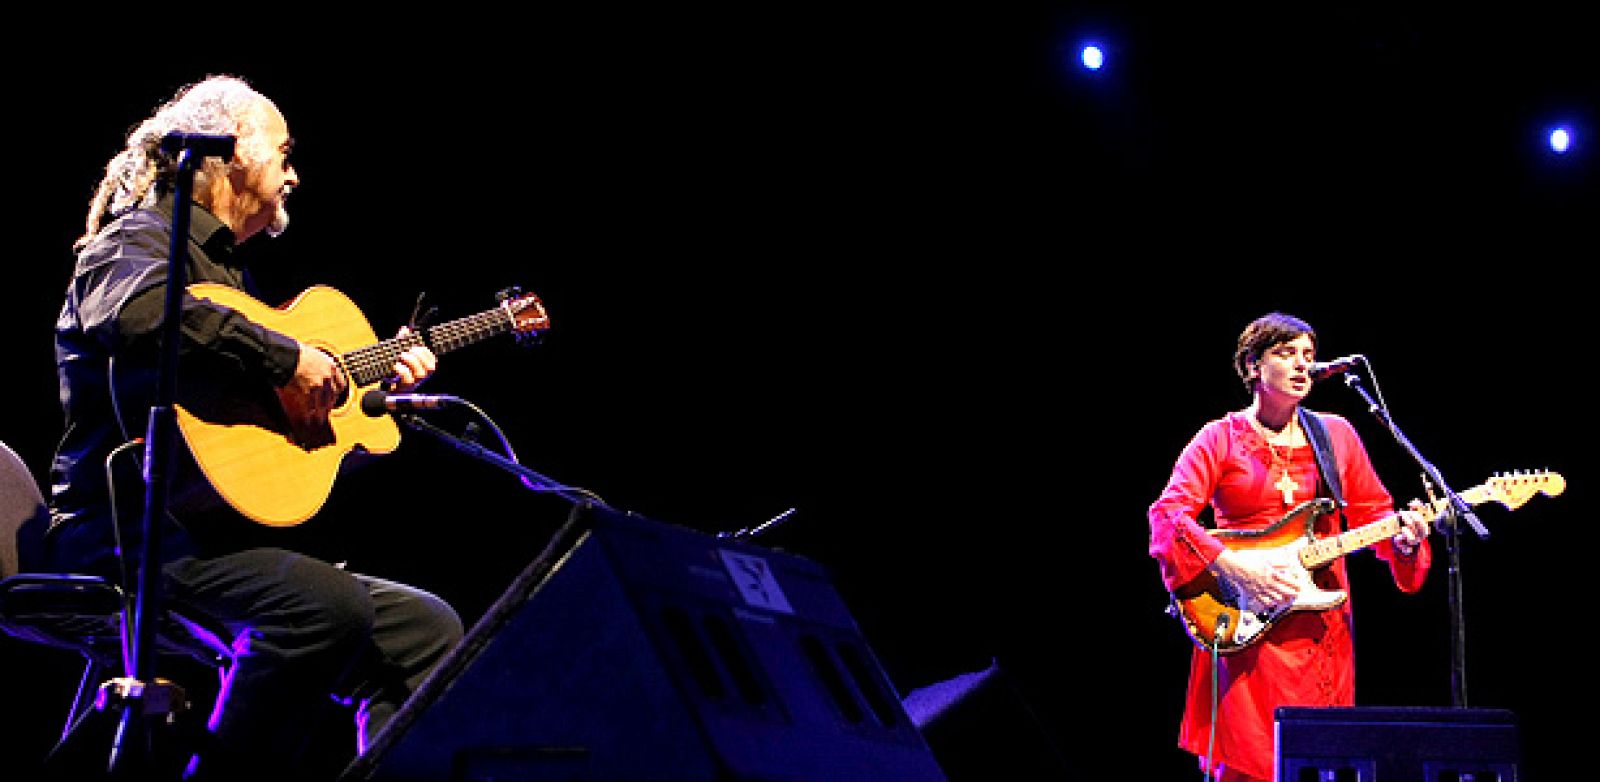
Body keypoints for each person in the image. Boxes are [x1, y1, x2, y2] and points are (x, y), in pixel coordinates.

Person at [40, 74, 463, 780]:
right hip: (124, 538)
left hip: (205, 537)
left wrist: (360, 402)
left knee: (427, 630)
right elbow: (143, 314)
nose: (294, 174)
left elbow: (260, 458)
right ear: (230, 149)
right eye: (284, 151)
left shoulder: (231, 282)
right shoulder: (135, 241)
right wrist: (285, 356)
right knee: (323, 607)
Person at [1146, 311, 1433, 782]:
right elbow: (1167, 518)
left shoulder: (1335, 434)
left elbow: (1375, 513)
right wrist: (1238, 568)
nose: (1303, 365)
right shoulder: (1219, 439)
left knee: (1323, 759)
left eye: (1309, 355)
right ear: (1253, 366)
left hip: (1321, 630)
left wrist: (1403, 540)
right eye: (1286, 353)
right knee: (1248, 764)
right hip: (1248, 626)